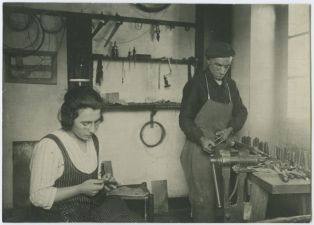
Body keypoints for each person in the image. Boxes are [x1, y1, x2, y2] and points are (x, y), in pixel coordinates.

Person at [29, 86, 143, 222]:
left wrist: (102, 183)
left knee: (131, 218)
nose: (93, 129)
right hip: (61, 216)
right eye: (86, 123)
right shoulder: (50, 146)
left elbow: (90, 179)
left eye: (97, 122)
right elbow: (38, 197)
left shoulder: (93, 140)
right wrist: (80, 189)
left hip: (89, 209)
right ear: (69, 118)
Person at [179, 42, 248, 222]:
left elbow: (242, 111)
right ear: (208, 61)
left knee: (225, 200)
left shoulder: (230, 86)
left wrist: (230, 129)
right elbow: (184, 119)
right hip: (199, 149)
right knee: (204, 199)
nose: (222, 70)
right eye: (218, 65)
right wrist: (201, 139)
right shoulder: (196, 85)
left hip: (223, 149)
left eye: (227, 66)